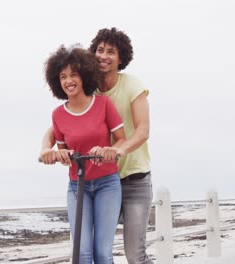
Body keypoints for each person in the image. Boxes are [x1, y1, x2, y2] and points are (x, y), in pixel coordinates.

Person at [41, 28, 153, 264]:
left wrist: (117, 150)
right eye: (100, 50)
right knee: (82, 253)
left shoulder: (131, 86)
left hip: (131, 177)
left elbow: (142, 131)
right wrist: (47, 149)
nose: (103, 55)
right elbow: (64, 124)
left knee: (133, 254)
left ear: (121, 57)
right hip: (88, 177)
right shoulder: (87, 91)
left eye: (111, 51)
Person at [42, 44, 126, 264]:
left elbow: (122, 141)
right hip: (77, 186)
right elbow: (63, 153)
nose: (68, 80)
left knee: (102, 253)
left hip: (107, 184)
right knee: (82, 254)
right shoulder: (58, 115)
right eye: (63, 77)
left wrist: (109, 150)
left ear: (84, 76)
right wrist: (55, 155)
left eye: (74, 75)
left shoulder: (103, 104)